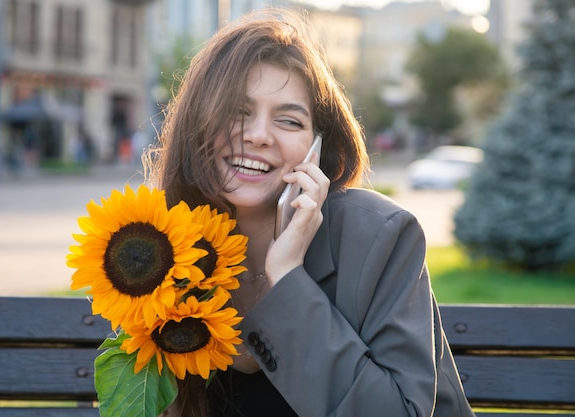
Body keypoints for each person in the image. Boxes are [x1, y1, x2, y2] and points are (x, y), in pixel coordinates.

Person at [144, 8, 476, 417]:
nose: (259, 135)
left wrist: (287, 278)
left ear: (316, 148)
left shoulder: (381, 238)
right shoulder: (159, 243)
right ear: (198, 125)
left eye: (288, 120)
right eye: (237, 111)